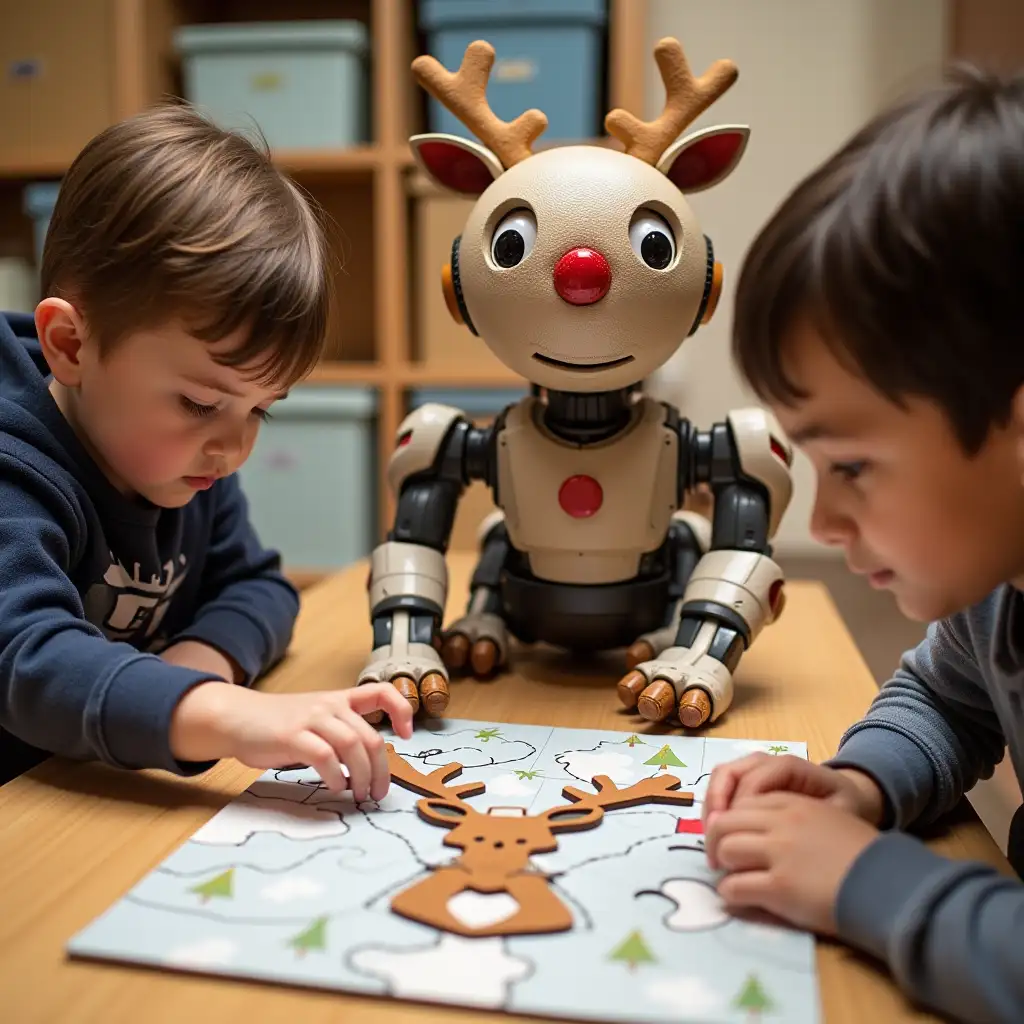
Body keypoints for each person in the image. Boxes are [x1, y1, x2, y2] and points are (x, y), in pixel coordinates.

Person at [700, 65, 1024, 1023]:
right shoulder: (995, 587)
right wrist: (861, 785)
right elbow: (946, 697)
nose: (822, 525)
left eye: (851, 465)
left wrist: (872, 885)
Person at [0, 103, 411, 799]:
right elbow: (26, 658)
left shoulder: (188, 465)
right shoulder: (16, 469)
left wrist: (201, 662)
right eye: (199, 402)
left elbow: (258, 586)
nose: (234, 446)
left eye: (261, 410)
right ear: (71, 346)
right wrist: (225, 714)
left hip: (97, 788)